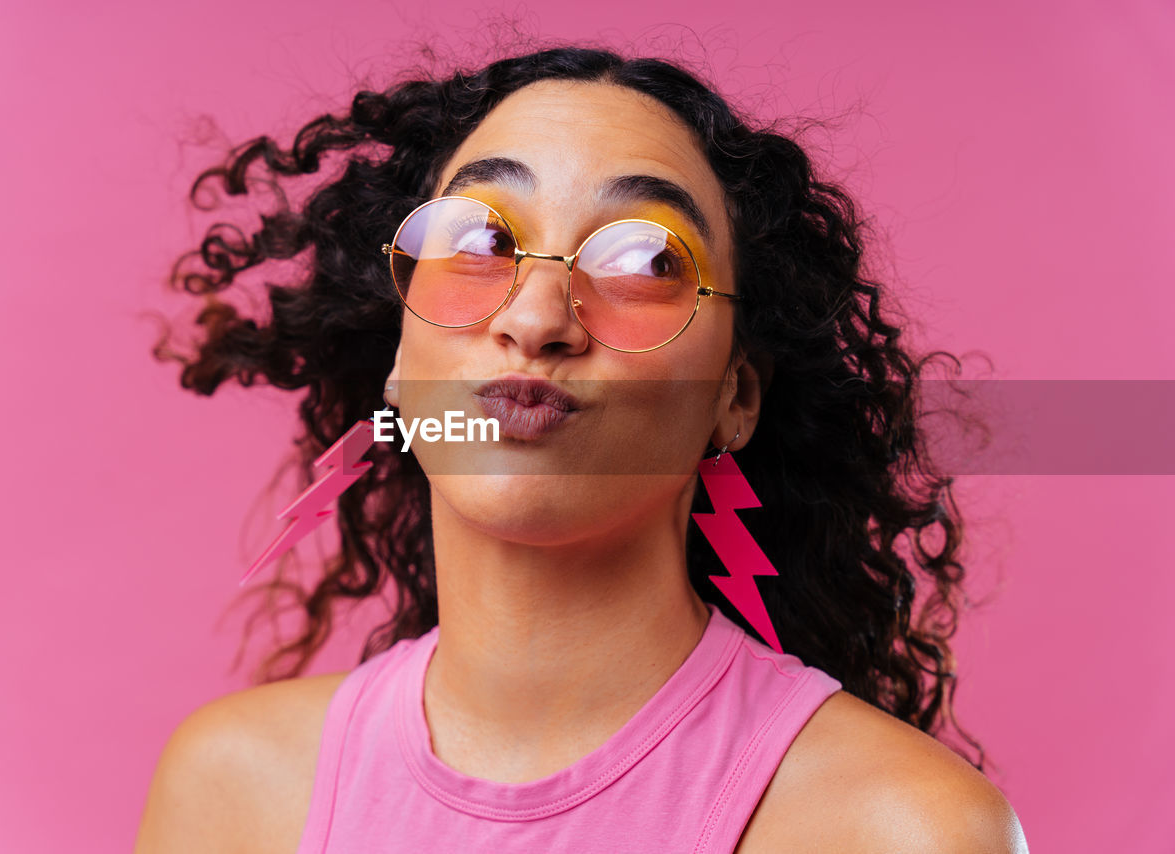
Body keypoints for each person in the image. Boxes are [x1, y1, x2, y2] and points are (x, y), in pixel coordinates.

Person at [135, 44, 1029, 852]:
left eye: (645, 263)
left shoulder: (902, 831)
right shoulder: (232, 794)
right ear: (400, 361)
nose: (535, 320)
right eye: (478, 240)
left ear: (734, 396)